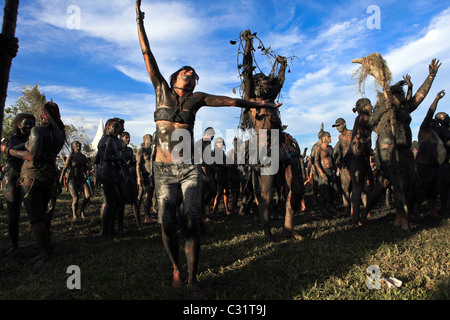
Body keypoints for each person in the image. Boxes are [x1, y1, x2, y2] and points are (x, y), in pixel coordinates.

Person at [136, 0, 282, 292]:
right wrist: (139, 21)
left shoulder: (197, 98)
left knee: (191, 221)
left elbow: (231, 101)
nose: (190, 73)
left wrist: (259, 103)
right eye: (185, 71)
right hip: (163, 168)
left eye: (193, 72)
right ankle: (176, 268)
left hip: (189, 167)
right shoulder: (161, 90)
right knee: (167, 225)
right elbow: (147, 53)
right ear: (177, 76)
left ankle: (192, 278)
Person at [1, 102, 66, 266]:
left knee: (36, 219)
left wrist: (8, 150)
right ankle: (46, 251)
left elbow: (33, 155)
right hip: (49, 175)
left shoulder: (39, 131)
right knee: (42, 216)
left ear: (43, 115)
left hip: (33, 177)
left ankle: (47, 256)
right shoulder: (60, 134)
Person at [348, 98, 387, 225]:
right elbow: (374, 122)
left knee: (367, 183)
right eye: (370, 105)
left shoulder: (364, 118)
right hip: (355, 158)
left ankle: (363, 212)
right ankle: (355, 217)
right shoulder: (362, 117)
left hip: (363, 157)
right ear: (364, 107)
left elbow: (375, 128)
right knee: (357, 187)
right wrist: (384, 108)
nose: (371, 107)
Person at [1, 113, 35, 255]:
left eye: (31, 124)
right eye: (26, 123)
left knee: (34, 209)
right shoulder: (13, 139)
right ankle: (14, 245)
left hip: (26, 177)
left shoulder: (32, 139)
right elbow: (10, 154)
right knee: (13, 213)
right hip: (12, 177)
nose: (28, 126)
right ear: (18, 124)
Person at [415, 90, 446, 219]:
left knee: (433, 191)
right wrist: (436, 99)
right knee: (421, 190)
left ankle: (433, 211)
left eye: (436, 123)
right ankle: (415, 212)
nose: (435, 124)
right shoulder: (424, 130)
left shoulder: (437, 134)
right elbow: (429, 114)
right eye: (433, 123)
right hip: (424, 166)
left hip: (435, 166)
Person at [95, 118, 126, 237]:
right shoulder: (107, 139)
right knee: (110, 202)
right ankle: (105, 231)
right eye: (115, 128)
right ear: (108, 127)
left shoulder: (111, 139)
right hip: (107, 174)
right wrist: (119, 159)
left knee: (116, 201)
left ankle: (110, 229)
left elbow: (97, 159)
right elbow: (106, 157)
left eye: (118, 128)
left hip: (111, 173)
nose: (117, 131)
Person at [59, 141, 91, 221]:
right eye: (76, 145)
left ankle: (81, 211)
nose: (78, 146)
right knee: (76, 198)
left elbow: (85, 167)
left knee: (88, 196)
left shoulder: (83, 157)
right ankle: (74, 215)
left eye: (79, 144)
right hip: (72, 179)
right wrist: (61, 178)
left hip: (81, 179)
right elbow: (65, 167)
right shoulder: (71, 156)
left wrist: (87, 172)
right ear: (73, 147)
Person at [116, 131, 140, 230]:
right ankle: (120, 225)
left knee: (134, 200)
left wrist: (137, 177)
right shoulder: (117, 149)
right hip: (120, 178)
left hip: (129, 177)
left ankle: (138, 222)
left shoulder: (130, 150)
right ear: (121, 138)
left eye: (129, 138)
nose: (128, 139)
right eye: (126, 138)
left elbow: (134, 164)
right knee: (121, 203)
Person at [314, 131, 338, 214]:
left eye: (330, 136)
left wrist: (337, 168)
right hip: (324, 171)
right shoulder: (319, 148)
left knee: (333, 190)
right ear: (324, 138)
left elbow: (333, 160)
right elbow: (316, 161)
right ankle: (323, 208)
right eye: (329, 136)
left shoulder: (330, 148)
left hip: (331, 171)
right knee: (324, 191)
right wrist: (321, 172)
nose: (330, 138)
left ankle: (331, 207)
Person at [332, 118, 352, 215]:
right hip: (345, 165)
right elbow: (338, 150)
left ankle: (366, 209)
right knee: (345, 188)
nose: (337, 128)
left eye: (339, 125)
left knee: (360, 188)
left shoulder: (352, 133)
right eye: (336, 126)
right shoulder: (340, 137)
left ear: (344, 124)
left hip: (355, 163)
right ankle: (347, 210)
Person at [136, 133, 157, 224]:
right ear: (145, 140)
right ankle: (145, 216)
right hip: (145, 176)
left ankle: (147, 215)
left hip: (153, 176)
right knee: (144, 196)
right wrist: (138, 176)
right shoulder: (142, 150)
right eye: (150, 138)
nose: (151, 140)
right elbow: (138, 164)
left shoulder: (152, 151)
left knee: (151, 196)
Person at [432, 111, 450, 216]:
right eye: (445, 117)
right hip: (444, 162)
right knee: (444, 187)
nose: (448, 118)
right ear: (439, 120)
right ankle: (444, 208)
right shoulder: (439, 132)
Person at [211, 137, 231, 216]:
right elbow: (216, 163)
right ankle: (214, 212)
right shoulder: (215, 152)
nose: (221, 143)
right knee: (219, 193)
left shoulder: (222, 152)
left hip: (225, 173)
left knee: (226, 192)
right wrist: (227, 165)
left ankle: (226, 210)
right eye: (219, 142)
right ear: (216, 143)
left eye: (222, 142)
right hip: (220, 174)